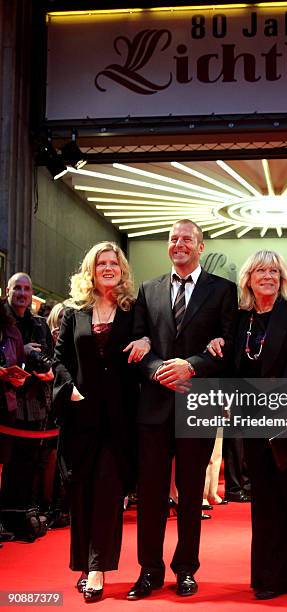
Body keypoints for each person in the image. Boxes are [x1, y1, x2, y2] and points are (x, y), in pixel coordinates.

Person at [208, 250, 287, 600]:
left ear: (282, 278)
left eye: (274, 271)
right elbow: (235, 364)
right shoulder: (242, 319)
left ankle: (281, 576)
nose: (268, 276)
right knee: (263, 499)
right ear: (248, 278)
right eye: (261, 270)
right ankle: (267, 573)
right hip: (252, 420)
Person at [128, 219, 238, 599]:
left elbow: (228, 350)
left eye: (186, 239)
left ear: (201, 246)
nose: (179, 244)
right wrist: (158, 369)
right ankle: (149, 570)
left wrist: (191, 365)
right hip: (154, 405)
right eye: (173, 239)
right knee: (152, 494)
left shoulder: (223, 291)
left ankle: (186, 569)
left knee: (191, 494)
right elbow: (136, 344)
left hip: (198, 404)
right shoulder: (147, 289)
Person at [53, 242, 149, 602]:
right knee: (83, 494)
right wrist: (70, 389)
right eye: (101, 263)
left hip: (119, 420)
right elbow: (58, 358)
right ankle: (83, 563)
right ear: (91, 270)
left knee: (109, 493)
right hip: (80, 418)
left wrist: (144, 338)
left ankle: (97, 569)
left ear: (122, 269)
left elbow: (148, 343)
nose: (108, 267)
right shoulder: (73, 312)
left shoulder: (133, 310)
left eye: (114, 262)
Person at [1, 273, 54, 513]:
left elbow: (51, 359)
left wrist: (49, 371)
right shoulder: (2, 322)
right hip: (6, 403)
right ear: (8, 291)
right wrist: (22, 352)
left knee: (30, 462)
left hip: (34, 404)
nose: (22, 294)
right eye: (17, 289)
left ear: (32, 295)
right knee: (7, 463)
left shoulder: (39, 324)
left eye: (27, 289)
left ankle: (23, 513)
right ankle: (6, 514)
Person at [0, 299, 25, 544]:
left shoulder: (12, 332)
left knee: (0, 466)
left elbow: (18, 363)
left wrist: (16, 377)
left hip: (5, 405)